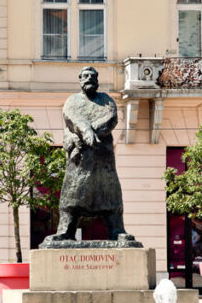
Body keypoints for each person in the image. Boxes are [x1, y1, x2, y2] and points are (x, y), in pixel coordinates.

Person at [43, 66, 135, 243]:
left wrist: (89, 132)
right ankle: (66, 230)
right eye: (85, 76)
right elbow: (71, 118)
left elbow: (111, 118)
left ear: (97, 80)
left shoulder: (106, 101)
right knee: (72, 196)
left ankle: (116, 230)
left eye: (92, 76)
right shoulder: (72, 101)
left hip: (102, 159)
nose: (89, 79)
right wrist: (85, 131)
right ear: (79, 79)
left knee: (110, 196)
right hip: (80, 161)